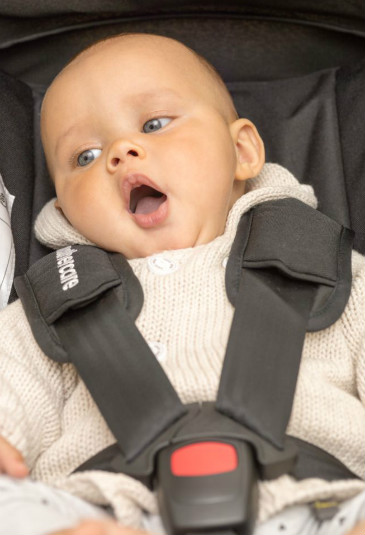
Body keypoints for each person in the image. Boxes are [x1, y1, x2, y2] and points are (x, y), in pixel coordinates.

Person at [0, 33, 364, 535]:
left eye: (154, 124)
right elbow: (11, 381)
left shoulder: (327, 268)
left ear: (241, 151)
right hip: (112, 508)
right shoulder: (57, 303)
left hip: (314, 505)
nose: (121, 152)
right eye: (84, 156)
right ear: (66, 211)